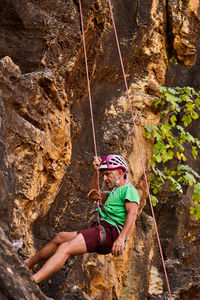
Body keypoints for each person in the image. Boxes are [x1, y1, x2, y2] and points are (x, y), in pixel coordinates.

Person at [24, 154, 140, 283]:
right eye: (103, 175)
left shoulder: (129, 190)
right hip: (102, 231)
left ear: (119, 173)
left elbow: (132, 214)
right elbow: (92, 194)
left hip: (109, 232)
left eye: (107, 174)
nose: (105, 178)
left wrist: (121, 238)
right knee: (60, 237)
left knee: (65, 248)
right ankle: (28, 263)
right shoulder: (112, 193)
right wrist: (96, 172)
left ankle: (32, 281)